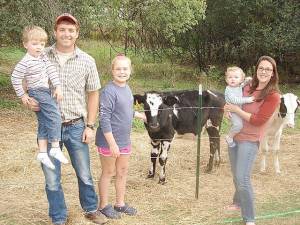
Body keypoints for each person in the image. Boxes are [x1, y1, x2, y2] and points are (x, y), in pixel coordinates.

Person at [26, 14, 108, 225]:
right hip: (48, 128)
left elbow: (93, 94)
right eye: (62, 29)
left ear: (77, 33)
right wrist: (27, 99)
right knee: (52, 178)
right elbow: (25, 81)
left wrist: (90, 125)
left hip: (76, 126)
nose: (66, 34)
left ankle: (90, 208)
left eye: (71, 30)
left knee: (84, 173)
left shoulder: (87, 61)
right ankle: (58, 217)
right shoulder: (40, 55)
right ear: (55, 32)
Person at [224, 56, 281, 225]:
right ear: (256, 69)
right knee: (236, 174)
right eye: (261, 68)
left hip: (250, 140)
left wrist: (236, 110)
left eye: (268, 69)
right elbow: (231, 98)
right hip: (235, 136)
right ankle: (238, 202)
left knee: (243, 177)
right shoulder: (247, 86)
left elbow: (258, 120)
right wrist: (227, 108)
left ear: (273, 74)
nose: (264, 71)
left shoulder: (273, 96)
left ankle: (249, 219)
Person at [95, 54, 146, 219]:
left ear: (130, 70)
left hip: (124, 140)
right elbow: (104, 118)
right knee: (108, 172)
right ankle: (103, 206)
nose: (122, 72)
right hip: (109, 141)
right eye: (118, 69)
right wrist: (112, 144)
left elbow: (125, 110)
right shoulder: (109, 91)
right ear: (112, 70)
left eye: (125, 69)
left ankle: (120, 204)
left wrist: (141, 116)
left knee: (122, 171)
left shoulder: (127, 88)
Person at [11, 25, 68, 170]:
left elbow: (51, 71)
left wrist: (58, 86)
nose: (39, 47)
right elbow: (15, 78)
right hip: (37, 92)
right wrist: (22, 95)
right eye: (34, 43)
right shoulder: (25, 62)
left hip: (46, 90)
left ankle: (43, 152)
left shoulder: (42, 57)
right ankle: (55, 146)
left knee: (43, 122)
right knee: (55, 116)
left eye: (42, 44)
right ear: (25, 44)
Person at [224, 66, 254, 148]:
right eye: (230, 77)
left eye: (236, 77)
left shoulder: (238, 86)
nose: (233, 79)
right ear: (226, 79)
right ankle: (229, 137)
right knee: (238, 125)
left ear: (240, 80)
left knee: (242, 124)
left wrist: (248, 80)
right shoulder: (228, 89)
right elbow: (235, 100)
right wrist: (247, 100)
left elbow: (243, 84)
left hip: (238, 110)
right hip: (233, 111)